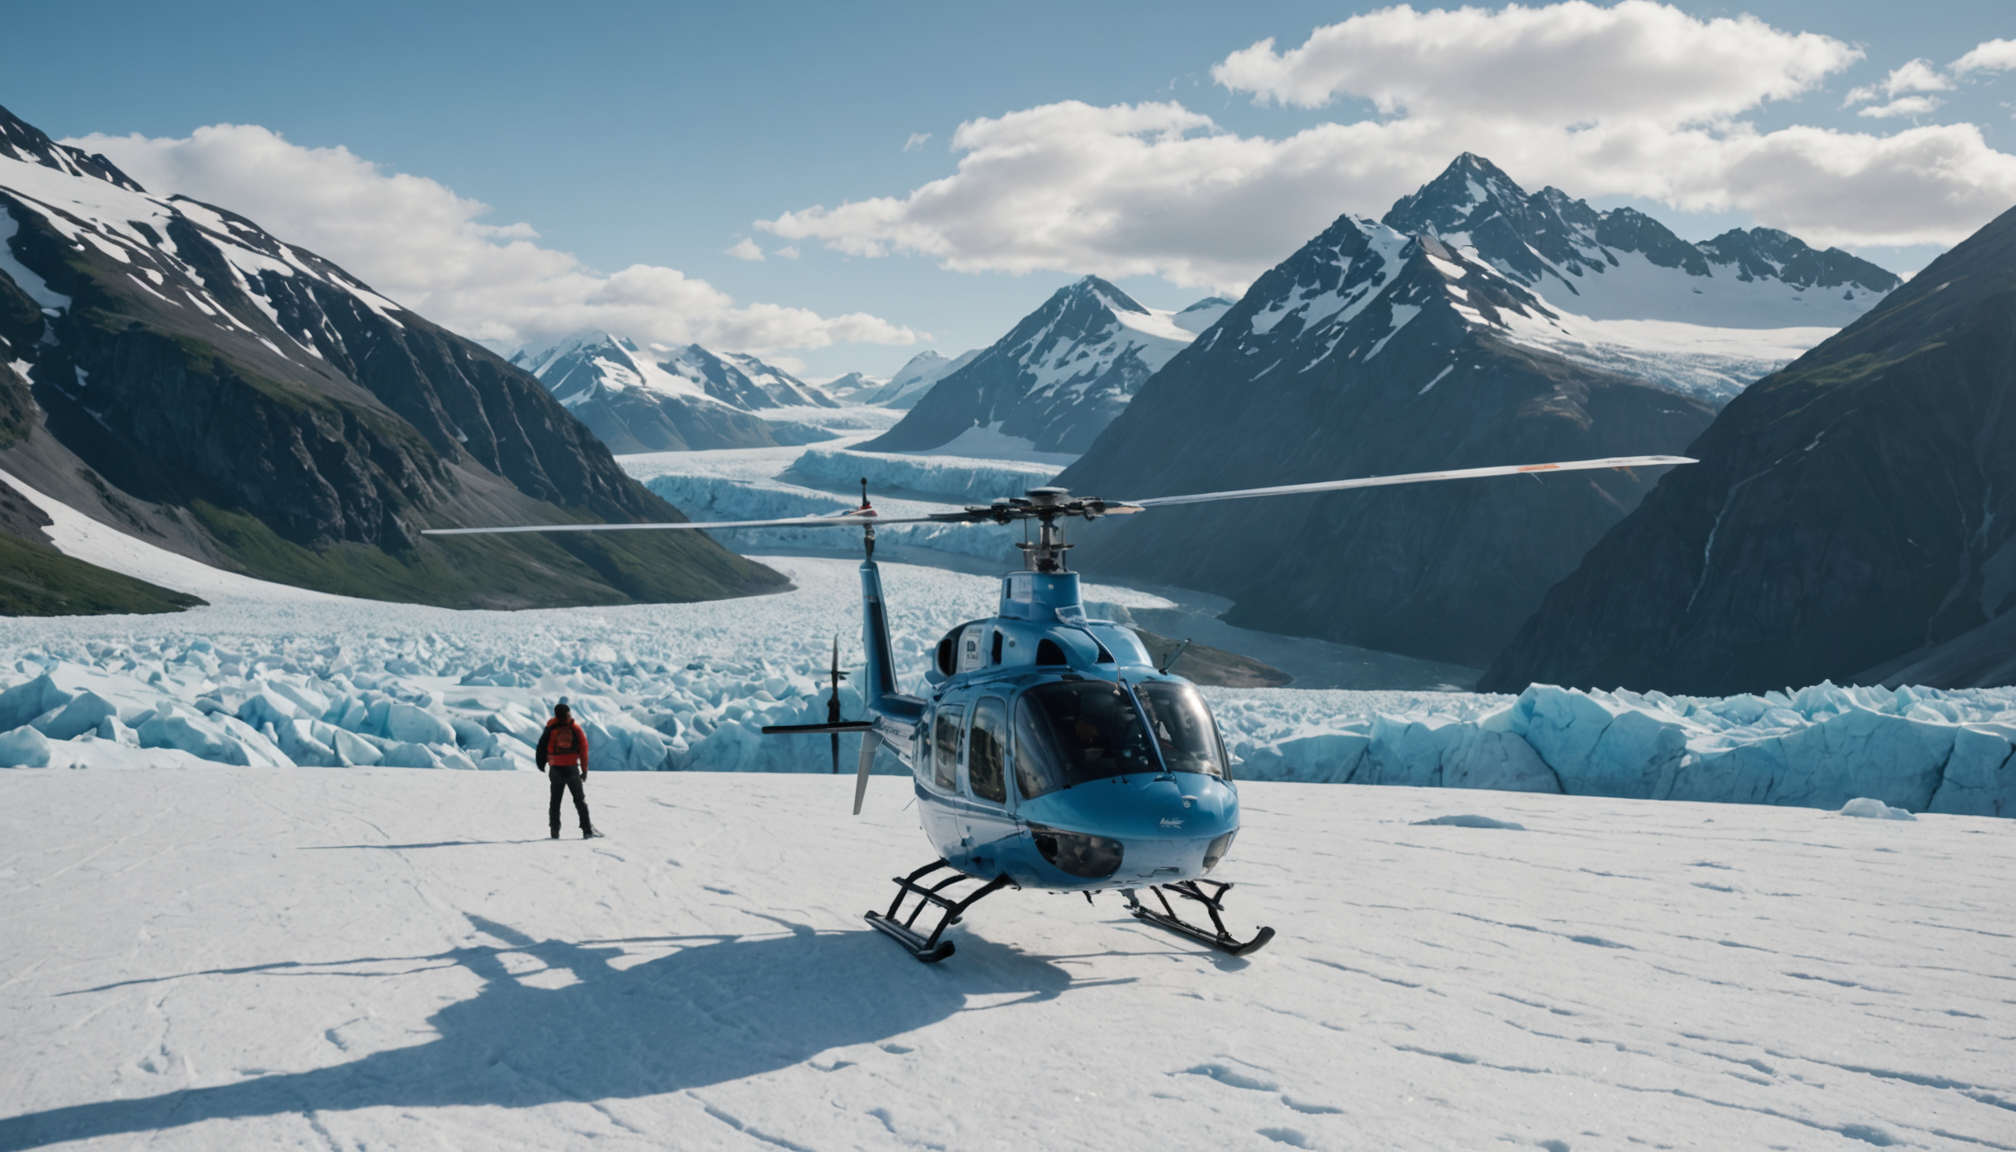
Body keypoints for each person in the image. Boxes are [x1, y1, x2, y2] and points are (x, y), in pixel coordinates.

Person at [536, 699, 596, 839]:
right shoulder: (575, 728)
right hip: (571, 768)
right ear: (568, 713)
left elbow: (541, 746)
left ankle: (555, 832)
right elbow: (584, 749)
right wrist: (584, 770)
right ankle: (587, 830)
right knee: (579, 800)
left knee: (555, 802)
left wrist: (542, 764)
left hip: (555, 768)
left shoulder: (551, 728)